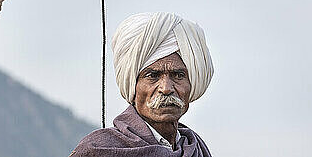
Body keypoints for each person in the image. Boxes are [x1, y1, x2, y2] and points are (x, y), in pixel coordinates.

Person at [71, 12, 214, 156]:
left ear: (191, 84)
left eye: (178, 75)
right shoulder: (100, 150)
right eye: (153, 76)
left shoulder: (195, 148)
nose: (166, 88)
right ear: (133, 86)